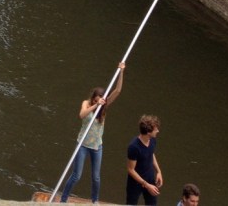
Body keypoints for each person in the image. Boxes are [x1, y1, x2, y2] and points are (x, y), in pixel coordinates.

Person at [60, 62, 126, 203]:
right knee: (76, 175)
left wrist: (121, 71)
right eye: (96, 99)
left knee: (96, 177)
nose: (98, 101)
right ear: (93, 98)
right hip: (82, 145)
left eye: (99, 100)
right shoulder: (86, 103)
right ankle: (63, 200)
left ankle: (95, 201)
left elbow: (118, 90)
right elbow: (82, 115)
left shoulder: (105, 105)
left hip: (97, 146)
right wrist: (96, 105)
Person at [125, 114, 163, 205]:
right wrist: (146, 185)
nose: (157, 131)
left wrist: (158, 171)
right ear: (148, 132)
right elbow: (131, 170)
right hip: (135, 183)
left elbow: (151, 154)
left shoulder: (153, 140)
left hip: (150, 179)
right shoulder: (134, 147)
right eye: (155, 129)